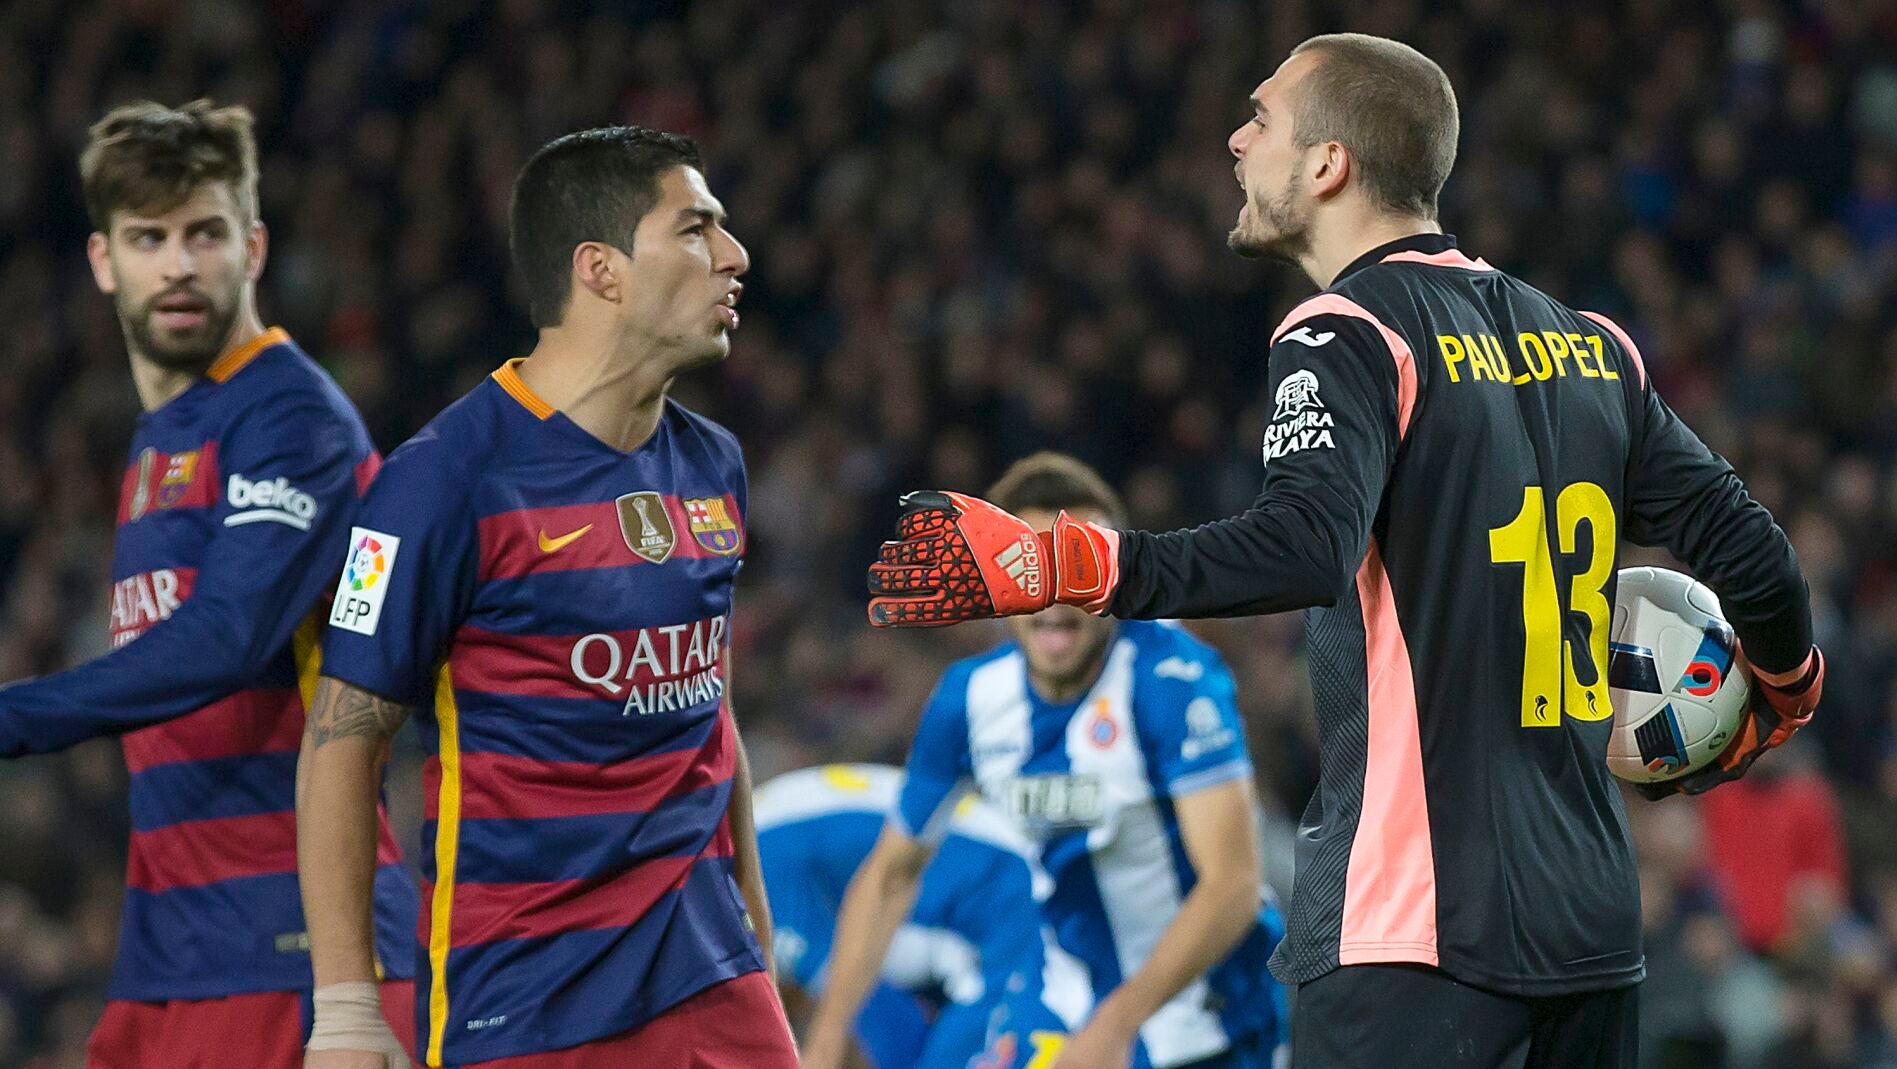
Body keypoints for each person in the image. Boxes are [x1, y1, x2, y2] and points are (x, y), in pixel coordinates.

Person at [865, 33, 1826, 1069]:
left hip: (1410, 929)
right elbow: (1746, 544)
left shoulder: (1344, 331)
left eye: (1262, 119)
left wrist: (1076, 565)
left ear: (1328, 167)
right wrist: (1785, 684)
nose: (1235, 141)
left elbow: (1303, 547)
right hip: (1591, 929)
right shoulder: (1592, 345)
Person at [296, 125, 796, 1069]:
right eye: (696, 230)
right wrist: (347, 1008)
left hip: (710, 974)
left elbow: (708, 714)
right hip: (525, 996)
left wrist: (758, 941)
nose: (734, 256)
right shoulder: (440, 483)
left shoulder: (713, 464)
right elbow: (341, 738)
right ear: (600, 269)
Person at [0, 100, 418, 1066]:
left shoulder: (291, 419)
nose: (179, 265)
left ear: (254, 245)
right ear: (105, 260)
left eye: (205, 233)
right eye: (149, 238)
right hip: (175, 954)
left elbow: (227, 636)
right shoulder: (162, 437)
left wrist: (13, 715)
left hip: (290, 951)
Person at [819, 452, 1287, 1069]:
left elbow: (1233, 885)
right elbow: (890, 875)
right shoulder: (969, 698)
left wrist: (1117, 1022)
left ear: (1112, 575)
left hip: (1213, 1020)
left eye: (1075, 567)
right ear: (993, 579)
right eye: (1029, 567)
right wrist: (824, 1044)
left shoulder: (1172, 678)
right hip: (1067, 1002)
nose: (1055, 596)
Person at [756, 762, 1048, 1069]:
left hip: (1007, 914)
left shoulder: (747, 884)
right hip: (995, 888)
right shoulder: (751, 837)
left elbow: (884, 1021)